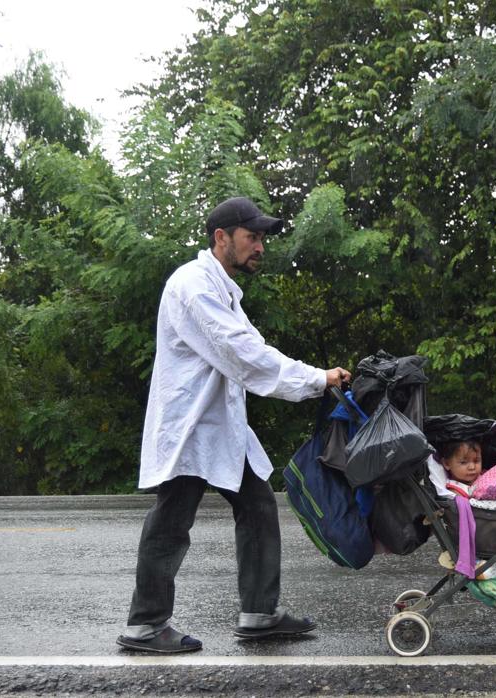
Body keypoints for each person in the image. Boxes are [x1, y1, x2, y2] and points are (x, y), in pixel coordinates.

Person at [117, 196, 352, 654]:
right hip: (190, 426)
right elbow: (244, 355)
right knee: (171, 519)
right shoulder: (194, 286)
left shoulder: (221, 288)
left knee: (259, 504)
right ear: (220, 237)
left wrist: (313, 378)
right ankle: (145, 624)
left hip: (218, 425)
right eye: (253, 236)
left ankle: (260, 613)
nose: (260, 246)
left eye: (262, 237)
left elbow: (253, 349)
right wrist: (316, 378)